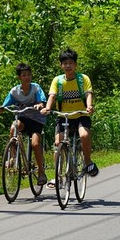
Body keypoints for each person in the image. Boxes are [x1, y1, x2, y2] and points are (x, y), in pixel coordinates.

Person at [42, 48, 98, 188]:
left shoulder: (82, 79)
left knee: (84, 135)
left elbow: (88, 94)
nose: (68, 66)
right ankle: (58, 177)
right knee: (58, 143)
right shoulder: (58, 81)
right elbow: (52, 96)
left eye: (71, 63)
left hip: (81, 115)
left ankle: (87, 162)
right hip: (64, 117)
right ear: (61, 65)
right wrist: (48, 108)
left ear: (75, 64)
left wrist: (89, 106)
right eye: (65, 63)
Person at [0, 62, 48, 186]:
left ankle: (41, 172)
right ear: (19, 77)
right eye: (24, 75)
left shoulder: (36, 88)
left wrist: (39, 105)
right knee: (14, 127)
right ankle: (13, 156)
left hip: (36, 120)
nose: (27, 77)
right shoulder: (14, 91)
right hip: (22, 118)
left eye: (29, 75)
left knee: (35, 143)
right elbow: (4, 106)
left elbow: (42, 101)